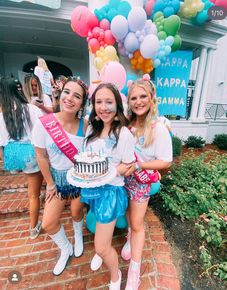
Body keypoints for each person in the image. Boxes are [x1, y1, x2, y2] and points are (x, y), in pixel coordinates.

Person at [80, 83, 135, 290]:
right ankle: (100, 252)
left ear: (117, 104)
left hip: (110, 192)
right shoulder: (92, 128)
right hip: (91, 188)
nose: (103, 107)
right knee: (102, 230)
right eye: (99, 102)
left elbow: (128, 165)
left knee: (102, 246)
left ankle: (115, 275)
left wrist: (109, 172)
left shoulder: (123, 134)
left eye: (109, 102)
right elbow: (87, 157)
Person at [32, 77, 89, 276]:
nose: (70, 98)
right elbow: (40, 155)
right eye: (67, 92)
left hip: (78, 180)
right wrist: (49, 184)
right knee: (48, 222)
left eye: (77, 96)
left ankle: (78, 235)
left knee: (76, 213)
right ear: (60, 93)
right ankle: (65, 248)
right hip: (55, 180)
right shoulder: (44, 124)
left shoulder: (86, 125)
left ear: (82, 103)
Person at [121, 75, 173, 289]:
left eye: (143, 96)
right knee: (127, 214)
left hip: (140, 181)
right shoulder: (126, 124)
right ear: (129, 101)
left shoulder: (157, 127)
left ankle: (135, 271)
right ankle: (129, 238)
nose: (138, 101)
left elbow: (166, 161)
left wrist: (141, 166)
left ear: (151, 99)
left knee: (138, 223)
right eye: (134, 98)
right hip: (123, 178)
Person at [0, 77, 44, 239]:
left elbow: (1, 143)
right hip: (33, 154)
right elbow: (43, 132)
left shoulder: (2, 115)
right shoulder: (32, 109)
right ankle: (33, 228)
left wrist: (9, 162)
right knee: (34, 193)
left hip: (15, 155)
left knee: (32, 192)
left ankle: (34, 226)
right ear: (19, 91)